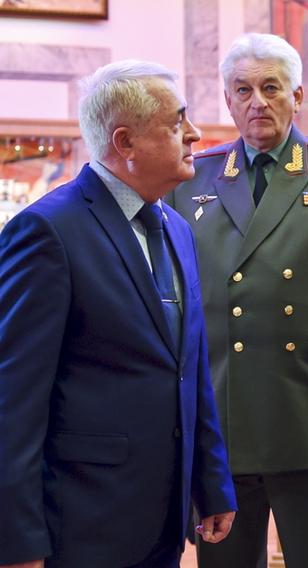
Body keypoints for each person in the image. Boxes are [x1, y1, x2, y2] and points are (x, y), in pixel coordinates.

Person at [0, 60, 236, 568]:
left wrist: (211, 483)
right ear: (125, 143)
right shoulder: (47, 232)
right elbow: (12, 402)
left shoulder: (176, 229)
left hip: (163, 522)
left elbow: (188, 368)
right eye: (176, 123)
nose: (195, 134)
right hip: (82, 525)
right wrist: (16, 542)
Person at [166, 33, 308, 568]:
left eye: (270, 87)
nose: (256, 101)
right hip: (222, 411)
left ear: (298, 94)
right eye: (243, 90)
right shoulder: (194, 177)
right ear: (227, 98)